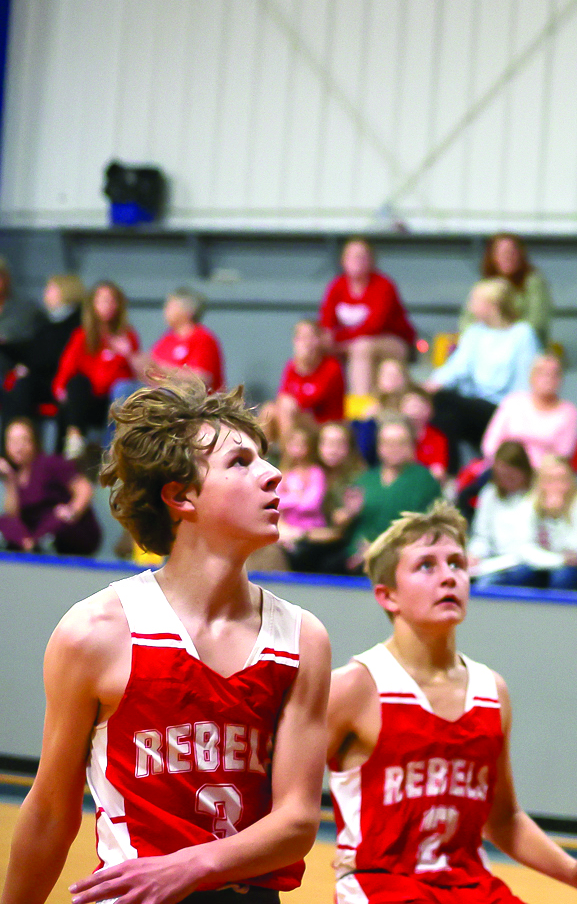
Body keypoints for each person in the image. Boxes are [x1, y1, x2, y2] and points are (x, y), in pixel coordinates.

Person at [0, 379, 331, 903]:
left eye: (264, 458)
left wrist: (189, 866)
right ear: (180, 496)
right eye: (240, 462)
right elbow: (49, 813)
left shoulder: (302, 637)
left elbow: (296, 822)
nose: (273, 474)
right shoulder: (95, 632)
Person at [327, 502, 577, 903]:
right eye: (426, 566)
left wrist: (574, 874)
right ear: (388, 595)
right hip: (381, 886)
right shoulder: (355, 686)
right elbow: (285, 789)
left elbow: (504, 818)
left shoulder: (490, 690)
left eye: (457, 564)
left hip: (470, 887)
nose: (448, 576)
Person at [426, 279, 540, 466]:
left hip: (502, 410)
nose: (470, 307)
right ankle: (449, 473)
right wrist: (427, 388)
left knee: (444, 400)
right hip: (472, 406)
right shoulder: (475, 333)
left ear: (493, 305)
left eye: (474, 301)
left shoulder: (522, 334)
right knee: (443, 415)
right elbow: (456, 368)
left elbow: (525, 383)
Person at [486, 456, 577, 592]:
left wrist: (556, 517)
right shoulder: (529, 504)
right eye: (549, 480)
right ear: (539, 483)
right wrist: (557, 560)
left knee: (562, 577)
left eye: (562, 479)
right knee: (517, 576)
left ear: (571, 481)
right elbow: (525, 550)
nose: (556, 486)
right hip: (546, 564)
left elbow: (575, 555)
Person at [54, 280, 143, 460]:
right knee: (76, 384)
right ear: (93, 305)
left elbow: (138, 377)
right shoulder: (82, 336)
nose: (107, 305)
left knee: (123, 390)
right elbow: (67, 368)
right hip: (88, 401)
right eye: (102, 300)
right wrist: (60, 389)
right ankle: (74, 440)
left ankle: (110, 454)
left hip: (114, 403)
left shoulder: (128, 336)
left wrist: (128, 354)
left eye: (112, 300)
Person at [321, 237, 418, 401]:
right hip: (349, 343)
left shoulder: (383, 285)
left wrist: (340, 343)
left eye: (361, 256)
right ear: (343, 260)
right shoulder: (336, 286)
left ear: (371, 260)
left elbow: (374, 326)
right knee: (317, 347)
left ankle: (360, 405)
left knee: (362, 347)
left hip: (394, 342)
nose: (356, 261)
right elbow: (327, 321)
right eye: (351, 256)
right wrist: (328, 340)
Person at [348, 419, 444, 573]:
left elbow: (430, 527)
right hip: (359, 558)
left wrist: (379, 550)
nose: (394, 449)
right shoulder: (365, 479)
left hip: (405, 558)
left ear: (411, 446)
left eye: (401, 443)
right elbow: (354, 528)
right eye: (388, 443)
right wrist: (349, 514)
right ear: (379, 446)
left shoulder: (424, 480)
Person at [0, 415, 101, 555]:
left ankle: (37, 543)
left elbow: (84, 488)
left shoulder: (50, 464)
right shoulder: (15, 475)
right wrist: (10, 481)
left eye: (23, 440)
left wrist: (71, 511)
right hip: (35, 535)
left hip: (67, 531)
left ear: (34, 441)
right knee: (5, 521)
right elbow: (13, 516)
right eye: (12, 441)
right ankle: (30, 545)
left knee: (57, 518)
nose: (18, 447)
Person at [1, 273, 83, 425]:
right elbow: (32, 349)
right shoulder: (49, 321)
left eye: (50, 289)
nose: (45, 293)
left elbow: (54, 356)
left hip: (62, 381)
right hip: (43, 379)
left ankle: (20, 434)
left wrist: (29, 368)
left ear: (65, 291)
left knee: (23, 386)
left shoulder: (77, 322)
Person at [290, 421, 365, 574]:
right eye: (327, 443)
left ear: (349, 448)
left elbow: (340, 526)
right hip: (306, 536)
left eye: (339, 444)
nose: (333, 450)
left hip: (341, 543)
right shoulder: (310, 473)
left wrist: (348, 514)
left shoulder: (357, 478)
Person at [480, 353, 577, 467]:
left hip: (544, 473)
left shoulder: (569, 412)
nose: (548, 378)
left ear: (561, 379)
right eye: (541, 372)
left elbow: (563, 454)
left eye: (554, 374)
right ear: (531, 376)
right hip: (505, 468)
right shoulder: (513, 402)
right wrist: (502, 466)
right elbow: (490, 444)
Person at [466, 232, 554, 347]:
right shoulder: (483, 285)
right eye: (502, 253)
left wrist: (507, 338)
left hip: (525, 347)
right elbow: (467, 322)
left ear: (520, 255)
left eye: (512, 252)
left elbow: (537, 323)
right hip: (486, 347)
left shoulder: (534, 283)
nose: (507, 257)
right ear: (492, 256)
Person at [141, 288, 224, 393]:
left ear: (187, 311)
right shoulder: (167, 338)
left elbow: (202, 379)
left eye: (170, 306)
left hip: (193, 399)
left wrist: (162, 369)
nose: (165, 311)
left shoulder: (202, 338)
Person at [466, 441, 533, 569]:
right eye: (502, 477)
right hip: (497, 560)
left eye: (511, 476)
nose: (506, 482)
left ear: (524, 471)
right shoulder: (489, 493)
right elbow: (482, 537)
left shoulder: (536, 494)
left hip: (527, 562)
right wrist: (473, 555)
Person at [272, 412, 327, 564]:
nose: (297, 449)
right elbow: (275, 502)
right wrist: (297, 496)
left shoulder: (315, 473)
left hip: (311, 530)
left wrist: (289, 500)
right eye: (293, 444)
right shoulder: (283, 473)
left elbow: (311, 504)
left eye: (301, 444)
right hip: (286, 528)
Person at [277, 318, 346, 424]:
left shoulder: (331, 366)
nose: (306, 343)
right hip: (298, 421)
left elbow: (314, 401)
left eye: (310, 337)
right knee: (269, 410)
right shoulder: (291, 366)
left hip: (324, 423)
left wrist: (303, 366)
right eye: (301, 338)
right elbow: (282, 397)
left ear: (320, 340)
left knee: (288, 406)